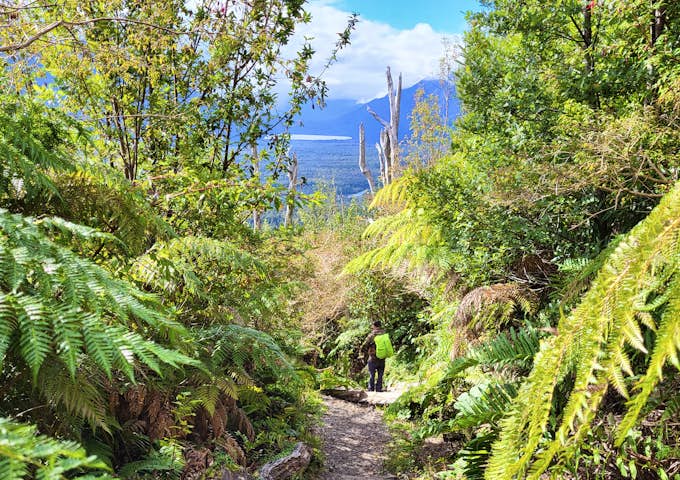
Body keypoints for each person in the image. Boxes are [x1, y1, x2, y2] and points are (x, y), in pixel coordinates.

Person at [361, 320, 386, 392]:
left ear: (374, 326)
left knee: (372, 374)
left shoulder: (372, 335)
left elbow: (365, 345)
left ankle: (371, 389)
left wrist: (363, 353)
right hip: (382, 357)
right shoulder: (384, 334)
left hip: (373, 357)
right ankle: (379, 388)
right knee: (380, 374)